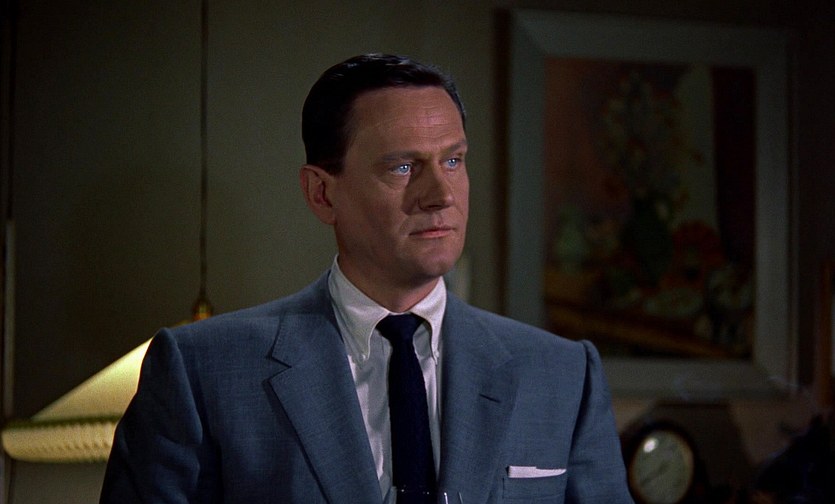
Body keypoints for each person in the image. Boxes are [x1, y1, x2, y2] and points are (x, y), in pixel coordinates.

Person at [100, 53, 633, 503]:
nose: (440, 195)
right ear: (322, 194)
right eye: (403, 167)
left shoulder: (563, 376)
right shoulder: (202, 372)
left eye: (453, 161)